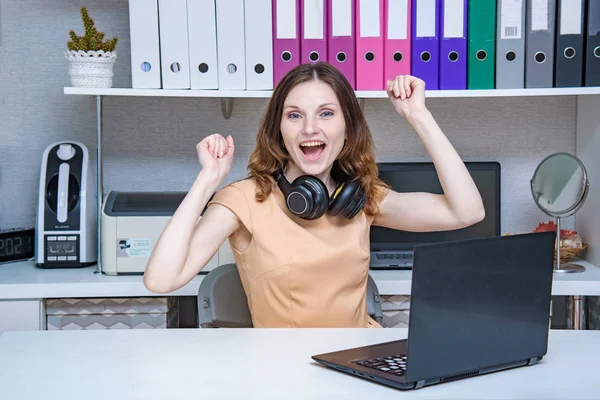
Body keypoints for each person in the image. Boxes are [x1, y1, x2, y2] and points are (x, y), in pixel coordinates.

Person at [143, 62, 485, 328]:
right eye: (294, 115)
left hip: (359, 363)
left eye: (326, 113)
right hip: (285, 371)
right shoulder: (245, 199)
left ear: (348, 128)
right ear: (279, 131)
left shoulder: (359, 197)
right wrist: (207, 180)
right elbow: (161, 280)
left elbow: (466, 212)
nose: (310, 128)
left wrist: (418, 116)